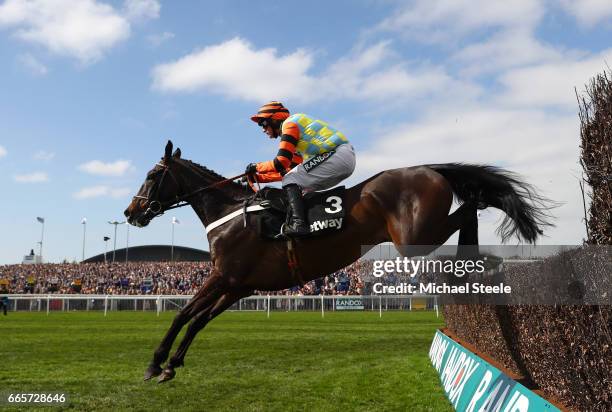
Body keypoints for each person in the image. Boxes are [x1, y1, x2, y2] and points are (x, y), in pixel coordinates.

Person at [246, 101, 356, 237]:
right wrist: (261, 178)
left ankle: (299, 224)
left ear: (275, 120)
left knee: (291, 180)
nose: (263, 129)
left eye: (263, 123)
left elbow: (281, 162)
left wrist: (256, 167)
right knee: (294, 182)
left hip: (337, 155)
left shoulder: (289, 124)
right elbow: (290, 170)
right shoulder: (297, 135)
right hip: (340, 156)